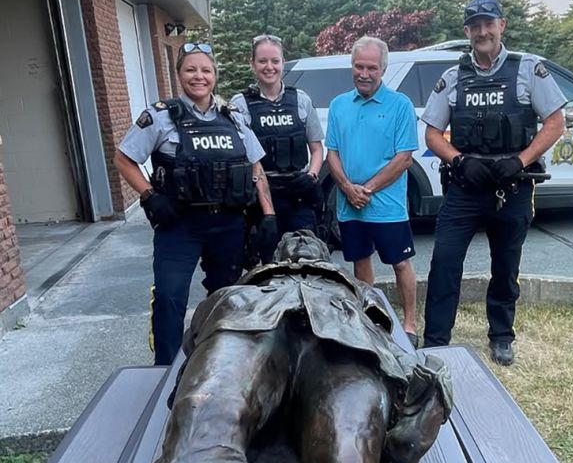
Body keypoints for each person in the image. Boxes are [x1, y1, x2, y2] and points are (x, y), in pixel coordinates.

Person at [146, 230, 452, 463]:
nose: (301, 240)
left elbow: (382, 332)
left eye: (309, 240)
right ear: (279, 256)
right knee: (215, 398)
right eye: (292, 239)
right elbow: (198, 335)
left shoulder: (357, 289)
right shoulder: (242, 289)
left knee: (348, 430)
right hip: (249, 324)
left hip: (344, 339)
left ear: (325, 255)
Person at [421, 0, 566, 366]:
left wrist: (520, 160)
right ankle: (436, 341)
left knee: (506, 266)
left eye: (489, 23)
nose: (483, 31)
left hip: (512, 187)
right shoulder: (453, 77)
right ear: (467, 32)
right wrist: (459, 160)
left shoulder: (529, 70)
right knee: (444, 263)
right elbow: (433, 134)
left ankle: (501, 335)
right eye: (475, 26)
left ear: (502, 25)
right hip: (465, 189)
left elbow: (555, 123)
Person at [113, 41, 276, 366]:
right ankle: (164, 371)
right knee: (170, 298)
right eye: (191, 69)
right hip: (179, 226)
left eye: (205, 70)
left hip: (228, 226)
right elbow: (123, 159)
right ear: (179, 74)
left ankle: (225, 365)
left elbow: (256, 167)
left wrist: (268, 215)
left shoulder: (234, 118)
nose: (198, 76)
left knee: (228, 298)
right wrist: (150, 195)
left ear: (214, 75)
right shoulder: (160, 117)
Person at [325, 36, 420, 348]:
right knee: (360, 262)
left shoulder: (400, 105)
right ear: (351, 66)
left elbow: (404, 157)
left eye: (371, 67)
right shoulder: (339, 105)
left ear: (383, 69)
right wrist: (347, 188)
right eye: (358, 66)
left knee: (400, 263)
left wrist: (366, 189)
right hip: (350, 206)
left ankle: (409, 323)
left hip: (388, 206)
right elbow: (332, 154)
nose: (364, 73)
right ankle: (368, 320)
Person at [230, 34, 324, 263]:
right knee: (270, 264)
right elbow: (248, 158)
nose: (269, 67)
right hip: (262, 196)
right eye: (262, 61)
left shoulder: (301, 100)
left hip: (298, 193)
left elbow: (317, 148)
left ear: (283, 62)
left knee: (306, 260)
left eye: (275, 61)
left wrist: (311, 175)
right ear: (252, 64)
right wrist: (267, 209)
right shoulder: (241, 104)